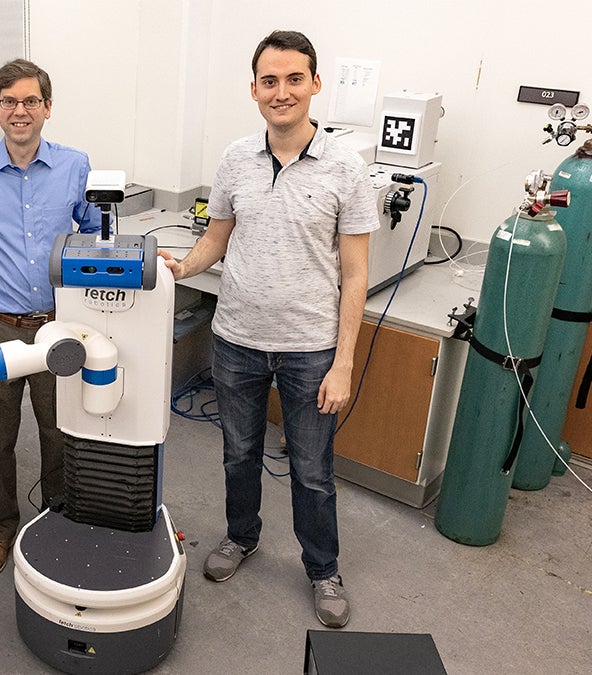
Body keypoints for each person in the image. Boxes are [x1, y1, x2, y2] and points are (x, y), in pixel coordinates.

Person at [159, 31, 377, 628]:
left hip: (312, 349)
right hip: (236, 340)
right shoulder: (236, 160)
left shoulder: (346, 168)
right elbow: (216, 240)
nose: (281, 92)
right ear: (254, 89)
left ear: (314, 84)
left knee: (311, 468)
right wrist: (179, 268)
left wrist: (344, 361)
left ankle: (323, 568)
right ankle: (241, 535)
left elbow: (356, 273)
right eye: (269, 81)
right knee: (239, 453)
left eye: (293, 79)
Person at [0, 58, 101, 578]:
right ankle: (0, 528)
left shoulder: (76, 166)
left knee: (60, 432)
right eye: (9, 101)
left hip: (59, 325)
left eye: (31, 100)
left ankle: (59, 515)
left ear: (47, 108)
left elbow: (97, 237)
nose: (20, 111)